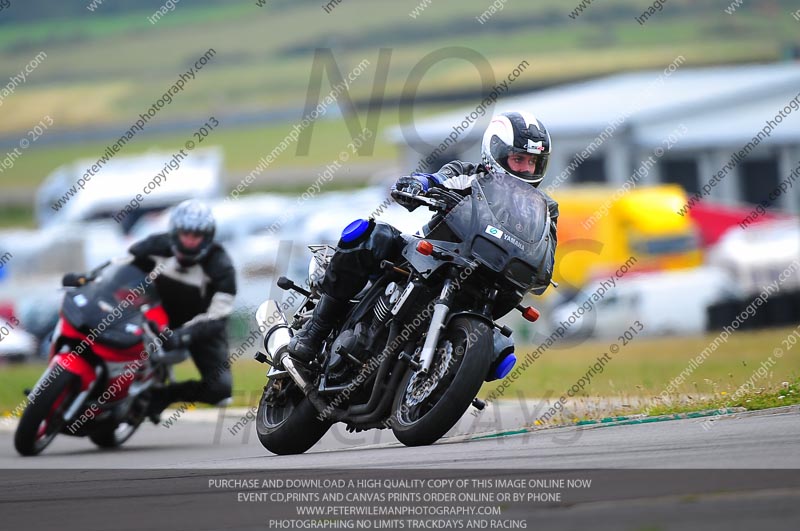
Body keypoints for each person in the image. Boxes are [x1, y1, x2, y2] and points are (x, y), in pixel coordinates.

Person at [288, 110, 559, 363]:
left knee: (500, 356)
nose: (525, 169)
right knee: (371, 235)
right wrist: (420, 183)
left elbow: (547, 247)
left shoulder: (546, 209)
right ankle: (316, 329)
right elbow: (437, 179)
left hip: (490, 278)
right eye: (518, 159)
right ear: (496, 153)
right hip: (435, 255)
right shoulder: (469, 175)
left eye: (532, 162)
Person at [129, 199, 237, 422]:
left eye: (196, 236)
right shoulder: (154, 247)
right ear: (175, 232)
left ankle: (163, 395)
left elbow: (219, 317)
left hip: (200, 325)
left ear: (206, 237)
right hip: (154, 313)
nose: (189, 241)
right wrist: (91, 278)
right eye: (184, 234)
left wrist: (182, 335)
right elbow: (120, 266)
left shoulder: (221, 265)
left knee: (221, 389)